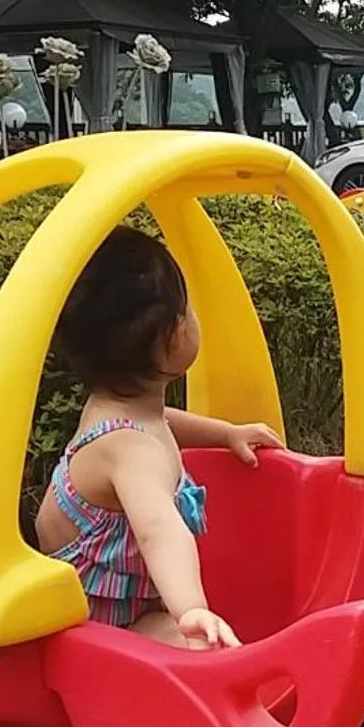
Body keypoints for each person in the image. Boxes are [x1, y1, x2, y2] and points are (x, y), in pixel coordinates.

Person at [33, 225, 280, 652]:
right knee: (200, 650)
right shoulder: (129, 451)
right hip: (96, 627)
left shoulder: (121, 411)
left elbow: (162, 422)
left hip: (119, 603)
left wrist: (227, 435)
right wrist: (191, 612)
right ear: (175, 336)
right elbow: (158, 530)